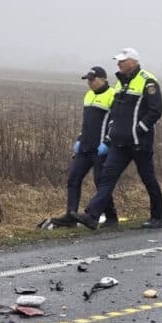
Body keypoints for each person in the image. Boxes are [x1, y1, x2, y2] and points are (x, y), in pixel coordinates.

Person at [70, 48, 162, 230]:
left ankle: (158, 216)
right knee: (106, 178)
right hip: (119, 143)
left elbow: (156, 110)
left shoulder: (147, 81)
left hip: (139, 143)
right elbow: (115, 110)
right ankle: (92, 215)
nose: (118, 64)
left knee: (148, 178)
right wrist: (112, 132)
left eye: (122, 61)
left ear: (133, 62)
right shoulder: (121, 83)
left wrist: (139, 129)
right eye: (118, 61)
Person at [50, 67, 118, 227]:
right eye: (88, 79)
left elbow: (114, 122)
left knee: (100, 182)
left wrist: (107, 143)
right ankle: (71, 215)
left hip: (100, 148)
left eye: (92, 79)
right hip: (85, 147)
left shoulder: (112, 95)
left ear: (102, 79)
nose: (89, 83)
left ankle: (111, 217)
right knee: (73, 179)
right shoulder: (88, 96)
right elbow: (86, 123)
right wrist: (80, 139)